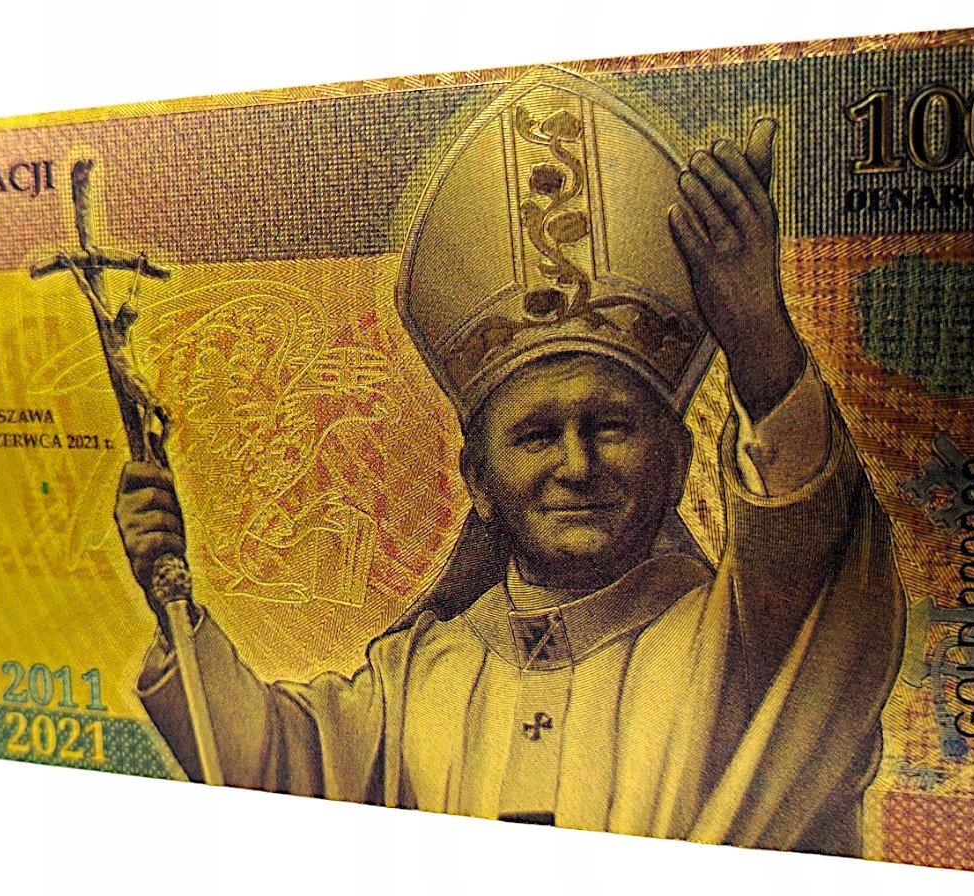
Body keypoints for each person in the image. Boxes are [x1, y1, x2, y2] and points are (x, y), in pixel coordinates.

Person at [116, 68, 903, 857]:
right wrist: (172, 598)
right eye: (534, 435)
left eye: (610, 426)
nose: (576, 465)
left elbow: (813, 554)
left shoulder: (745, 642)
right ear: (478, 483)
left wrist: (758, 336)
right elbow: (275, 766)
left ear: (677, 459)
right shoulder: (420, 673)